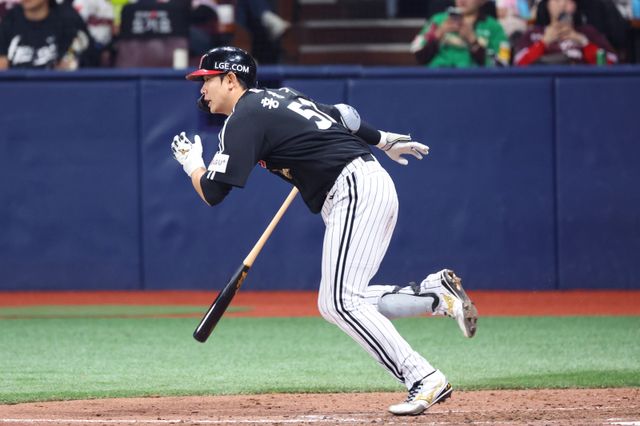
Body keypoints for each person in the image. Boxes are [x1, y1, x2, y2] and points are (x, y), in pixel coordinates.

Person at [170, 46, 479, 416]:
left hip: (353, 189)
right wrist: (383, 139)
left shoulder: (243, 116)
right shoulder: (282, 96)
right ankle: (434, 295)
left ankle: (423, 377)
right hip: (364, 183)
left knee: (339, 302)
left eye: (207, 80)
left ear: (231, 79)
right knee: (346, 300)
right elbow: (343, 115)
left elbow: (213, 192)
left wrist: (192, 164)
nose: (202, 89)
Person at [514, 0, 618, 65]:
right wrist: (543, 42)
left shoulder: (588, 33)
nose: (563, 5)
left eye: (569, 1)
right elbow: (519, 64)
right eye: (557, 1)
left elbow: (611, 62)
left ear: (575, 6)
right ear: (547, 5)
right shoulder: (533, 33)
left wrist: (584, 42)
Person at [410, 0, 509, 67]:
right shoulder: (437, 21)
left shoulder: (494, 27)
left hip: (475, 81)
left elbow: (503, 64)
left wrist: (473, 41)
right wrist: (437, 35)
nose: (462, 0)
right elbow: (417, 54)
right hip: (438, 79)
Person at [0, 0, 94, 69]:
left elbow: (82, 58)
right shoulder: (10, 20)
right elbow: (2, 65)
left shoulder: (68, 20)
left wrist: (70, 64)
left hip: (57, 87)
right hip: (16, 87)